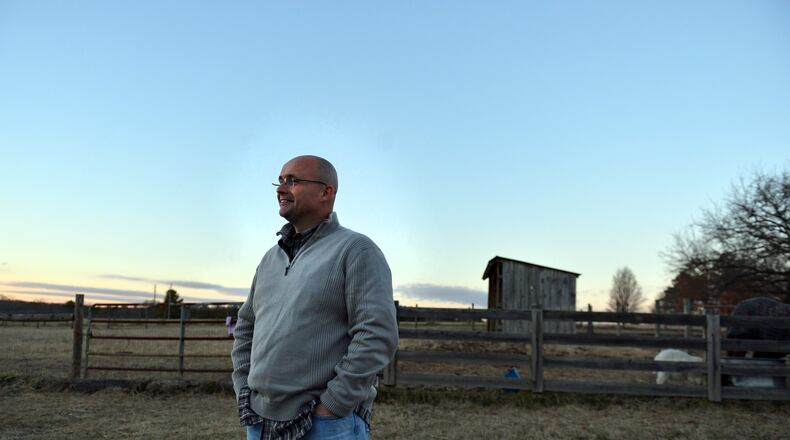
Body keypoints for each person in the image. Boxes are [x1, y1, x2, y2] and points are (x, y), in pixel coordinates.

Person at [231, 155, 398, 440]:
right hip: (259, 420)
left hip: (323, 425)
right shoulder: (270, 259)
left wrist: (332, 405)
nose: (280, 189)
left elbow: (376, 333)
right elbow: (247, 326)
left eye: (292, 181)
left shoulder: (356, 250)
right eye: (279, 181)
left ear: (325, 192)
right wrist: (244, 389)